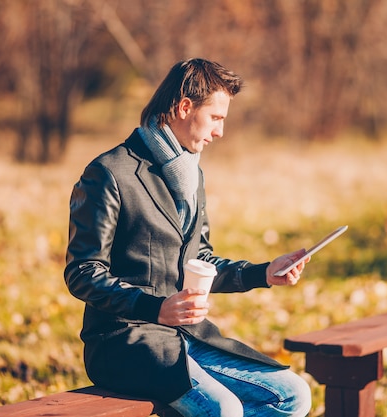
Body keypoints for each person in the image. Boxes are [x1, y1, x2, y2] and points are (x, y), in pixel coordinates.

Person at [64, 58, 312, 417]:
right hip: (124, 342)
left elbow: (202, 259)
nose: (220, 132)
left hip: (188, 336)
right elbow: (83, 272)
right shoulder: (108, 173)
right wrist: (155, 308)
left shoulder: (191, 175)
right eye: (216, 118)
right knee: (224, 409)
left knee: (293, 395)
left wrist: (263, 273)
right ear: (184, 108)